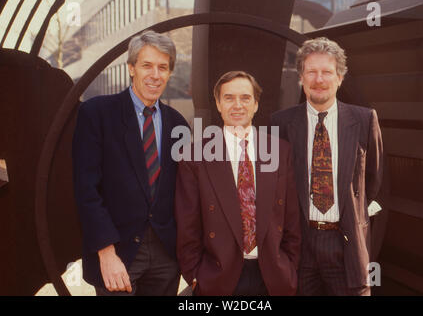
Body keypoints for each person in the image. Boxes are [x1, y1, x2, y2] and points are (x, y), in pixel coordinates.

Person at [72, 30, 189, 296]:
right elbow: (86, 191)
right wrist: (106, 253)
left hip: (165, 257)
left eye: (163, 67)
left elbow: (184, 194)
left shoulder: (178, 124)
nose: (155, 74)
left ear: (170, 73)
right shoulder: (97, 114)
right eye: (147, 65)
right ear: (131, 68)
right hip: (117, 254)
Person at [271, 37, 383, 296]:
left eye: (326, 72)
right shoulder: (280, 124)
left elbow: (374, 180)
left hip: (346, 245)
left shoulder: (364, 120)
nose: (318, 79)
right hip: (300, 245)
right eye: (311, 72)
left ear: (340, 77)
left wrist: (357, 217)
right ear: (301, 77)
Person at [175, 71, 301, 296]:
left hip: (273, 277)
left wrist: (290, 267)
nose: (237, 105)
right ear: (218, 104)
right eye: (229, 98)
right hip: (218, 279)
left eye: (245, 98)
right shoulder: (194, 155)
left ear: (256, 104)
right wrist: (195, 277)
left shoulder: (280, 151)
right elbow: (187, 225)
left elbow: (291, 217)